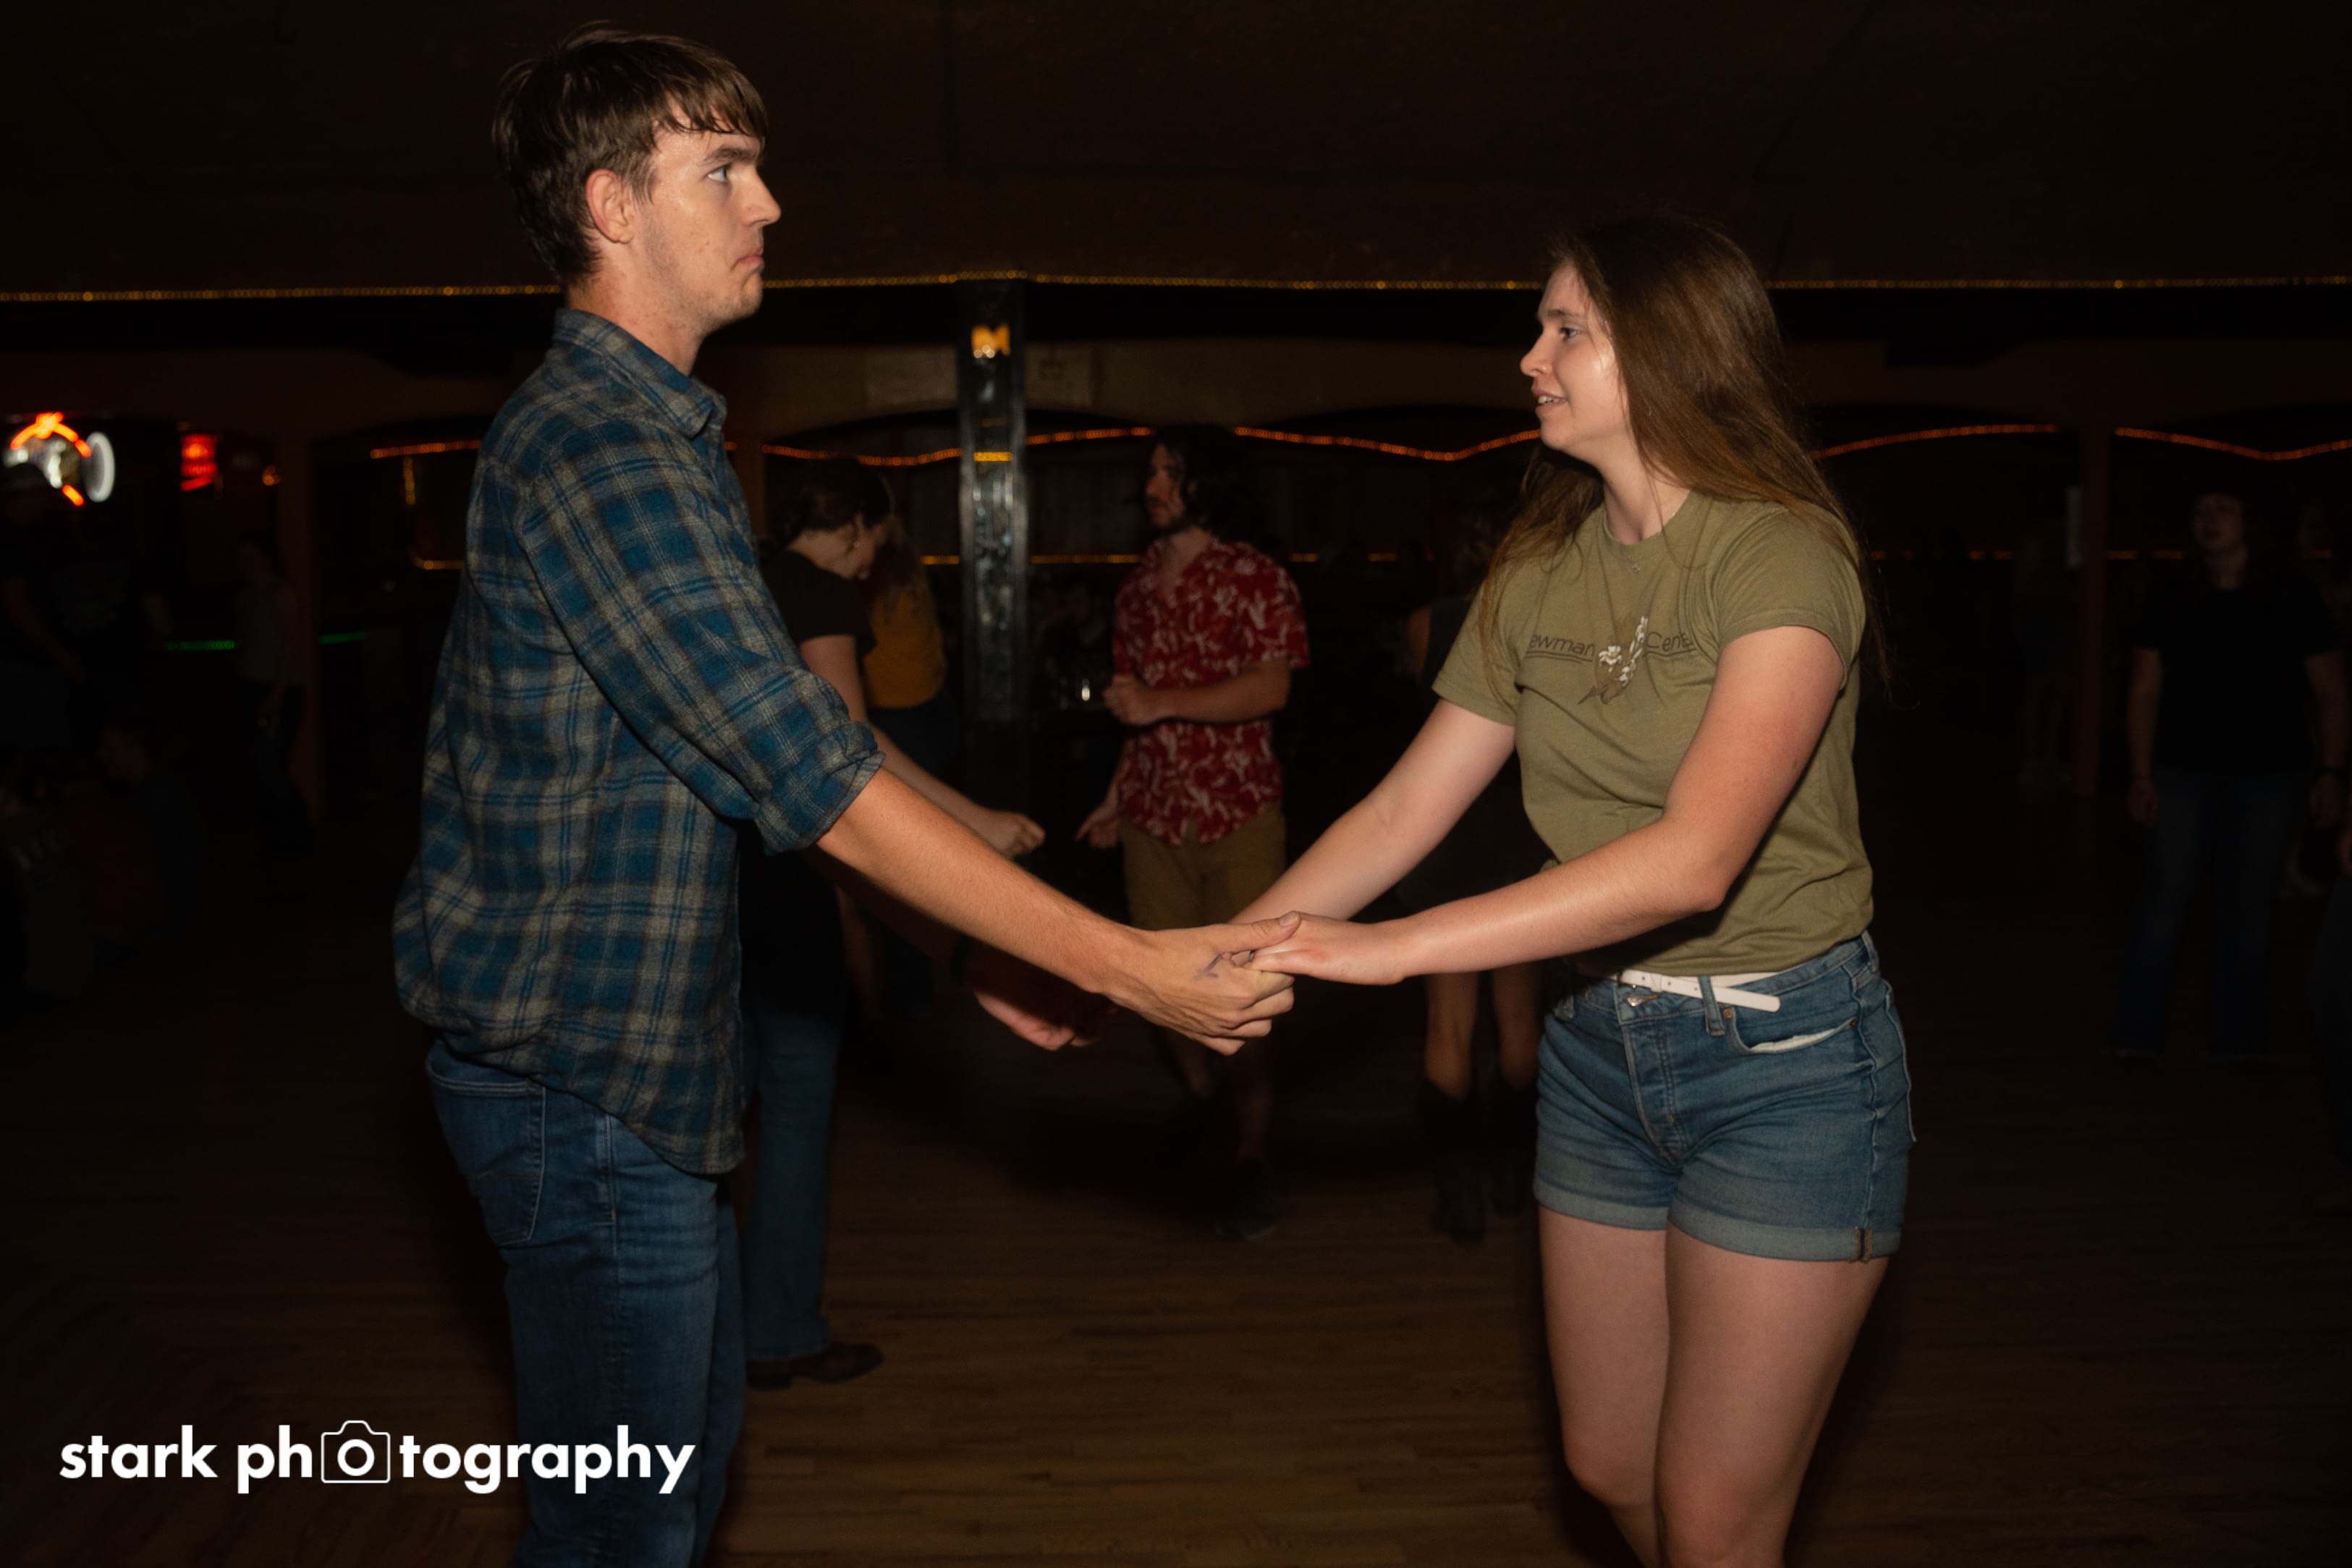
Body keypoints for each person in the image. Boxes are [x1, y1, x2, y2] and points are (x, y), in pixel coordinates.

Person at [393, 30, 1293, 1568]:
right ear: (611, 205)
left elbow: (772, 753)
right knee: (623, 1529)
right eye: (723, 170)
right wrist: (1123, 961)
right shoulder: (604, 445)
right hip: (580, 1079)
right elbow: (806, 771)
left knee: (669, 1494)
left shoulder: (658, 438)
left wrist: (963, 943)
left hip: (624, 1072)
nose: (769, 203)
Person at [1238, 216, 1910, 1567]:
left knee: (1714, 1516)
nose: (1528, 358)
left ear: (1667, 350)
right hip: (1598, 1050)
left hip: (1783, 1066)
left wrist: (1391, 949)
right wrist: (1214, 954)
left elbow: (1692, 858)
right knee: (1609, 1465)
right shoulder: (1538, 570)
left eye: (1566, 330)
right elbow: (1400, 810)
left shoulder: (1779, 555)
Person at [739, 458, 1044, 1394]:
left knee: (719, 1113)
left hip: (719, 866)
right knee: (795, 1098)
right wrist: (974, 821)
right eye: (875, 539)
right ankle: (777, 1331)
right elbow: (849, 739)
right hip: (784, 870)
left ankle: (715, 1335)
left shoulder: (745, 570)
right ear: (853, 528)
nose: (874, 560)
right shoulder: (821, 589)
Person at [1078, 427, 1310, 1242]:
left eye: (1171, 474)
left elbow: (1271, 688)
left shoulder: (1257, 577)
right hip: (1151, 812)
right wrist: (1114, 796)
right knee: (1150, 981)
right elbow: (1133, 708)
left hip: (1238, 810)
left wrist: (1162, 704)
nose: (1154, 488)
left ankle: (1251, 1153)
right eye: (1150, 474)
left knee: (1248, 990)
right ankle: (1202, 1091)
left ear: (1210, 484)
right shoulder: (1136, 587)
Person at [2112, 491, 2348, 1062]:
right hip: (2182, 768)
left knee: (2249, 907)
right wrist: (2140, 773)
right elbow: (2144, 689)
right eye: (2200, 511)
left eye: (2223, 509)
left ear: (2250, 522)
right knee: (2165, 899)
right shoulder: (2171, 592)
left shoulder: (2291, 593)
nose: (2209, 520)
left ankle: (2237, 1040)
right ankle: (2136, 1035)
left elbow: (2332, 692)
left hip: (2271, 773)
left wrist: (2332, 771)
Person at [1395, 501, 1547, 1245]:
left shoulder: (1426, 622)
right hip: (1517, 824)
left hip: (1445, 825)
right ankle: (1513, 1175)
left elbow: (1424, 716)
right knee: (1519, 1020)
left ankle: (1458, 1195)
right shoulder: (1542, 620)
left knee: (1446, 1024)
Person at [855, 508, 961, 1017]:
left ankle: (908, 989)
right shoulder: (911, 569)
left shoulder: (868, 573)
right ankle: (930, 977)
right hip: (930, 714)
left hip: (898, 721)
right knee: (923, 856)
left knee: (898, 864)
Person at [232, 533, 312, 857]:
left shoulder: (280, 593)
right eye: (241, 558)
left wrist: (278, 692)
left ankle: (299, 838)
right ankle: (276, 838)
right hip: (251, 686)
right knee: (259, 767)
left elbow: (291, 645)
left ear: (266, 558)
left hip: (278, 689)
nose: (245, 565)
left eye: (251, 557)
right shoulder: (246, 596)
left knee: (271, 767)